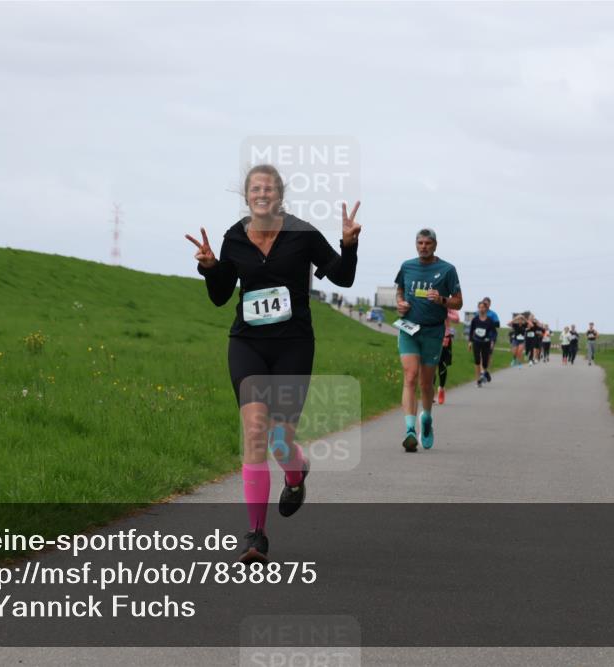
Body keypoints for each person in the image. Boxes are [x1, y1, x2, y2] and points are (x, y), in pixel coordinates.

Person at [187, 164, 361, 563]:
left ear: (279, 195)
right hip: (247, 343)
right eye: (255, 189)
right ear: (246, 196)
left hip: (293, 346)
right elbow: (219, 296)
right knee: (253, 433)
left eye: (268, 188)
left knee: (280, 441)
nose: (261, 194)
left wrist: (348, 245)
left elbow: (343, 278)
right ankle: (256, 536)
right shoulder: (234, 237)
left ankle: (296, 473)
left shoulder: (302, 234)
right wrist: (211, 267)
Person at [394, 229, 463, 452]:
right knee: (410, 376)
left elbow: (459, 302)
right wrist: (400, 303)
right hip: (409, 329)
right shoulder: (407, 266)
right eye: (420, 243)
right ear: (416, 244)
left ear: (435, 245)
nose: (423, 246)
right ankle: (410, 430)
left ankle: (427, 418)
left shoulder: (447, 270)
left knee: (425, 382)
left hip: (433, 331)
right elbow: (400, 292)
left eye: (428, 243)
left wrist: (442, 299)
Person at [468, 299, 497, 387]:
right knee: (477, 361)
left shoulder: (490, 321)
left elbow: (494, 332)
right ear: (478, 308)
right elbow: (471, 331)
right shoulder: (475, 320)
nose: (481, 309)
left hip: (486, 343)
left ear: (486, 309)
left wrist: (492, 341)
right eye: (480, 307)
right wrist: (470, 342)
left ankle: (485, 372)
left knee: (484, 362)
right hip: (476, 341)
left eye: (483, 307)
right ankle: (478, 380)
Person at [436, 309, 460, 404]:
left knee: (442, 364)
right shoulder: (430, 300)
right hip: (430, 335)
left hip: (445, 337)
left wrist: (446, 313)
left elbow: (457, 319)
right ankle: (430, 392)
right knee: (430, 365)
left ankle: (441, 389)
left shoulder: (448, 304)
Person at [482, 296, 501, 370]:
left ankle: (486, 371)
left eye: (487, 304)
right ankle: (482, 371)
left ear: (489, 304)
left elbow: (498, 324)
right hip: (480, 336)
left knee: (488, 354)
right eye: (484, 303)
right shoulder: (478, 313)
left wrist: (488, 323)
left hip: (491, 336)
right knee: (481, 354)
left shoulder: (493, 314)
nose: (485, 305)